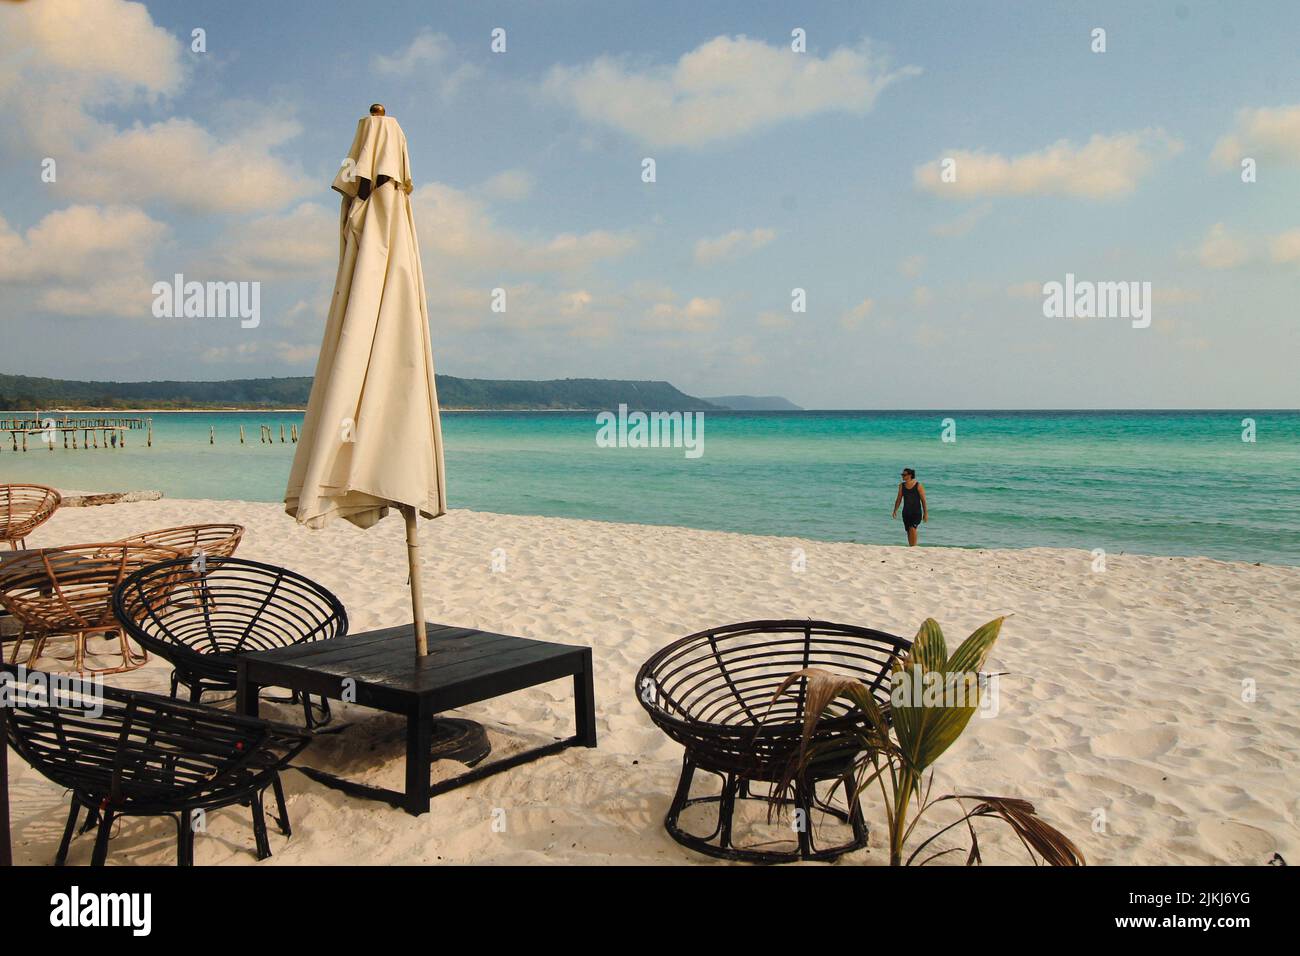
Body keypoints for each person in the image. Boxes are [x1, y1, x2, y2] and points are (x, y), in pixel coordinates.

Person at [891, 468, 927, 546]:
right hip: (906, 512)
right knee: (908, 530)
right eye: (902, 475)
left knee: (912, 528)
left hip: (916, 512)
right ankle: (911, 546)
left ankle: (914, 546)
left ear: (910, 475)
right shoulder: (901, 486)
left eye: (904, 475)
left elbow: (923, 500)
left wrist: (925, 513)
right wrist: (895, 510)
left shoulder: (918, 485)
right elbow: (899, 499)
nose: (902, 476)